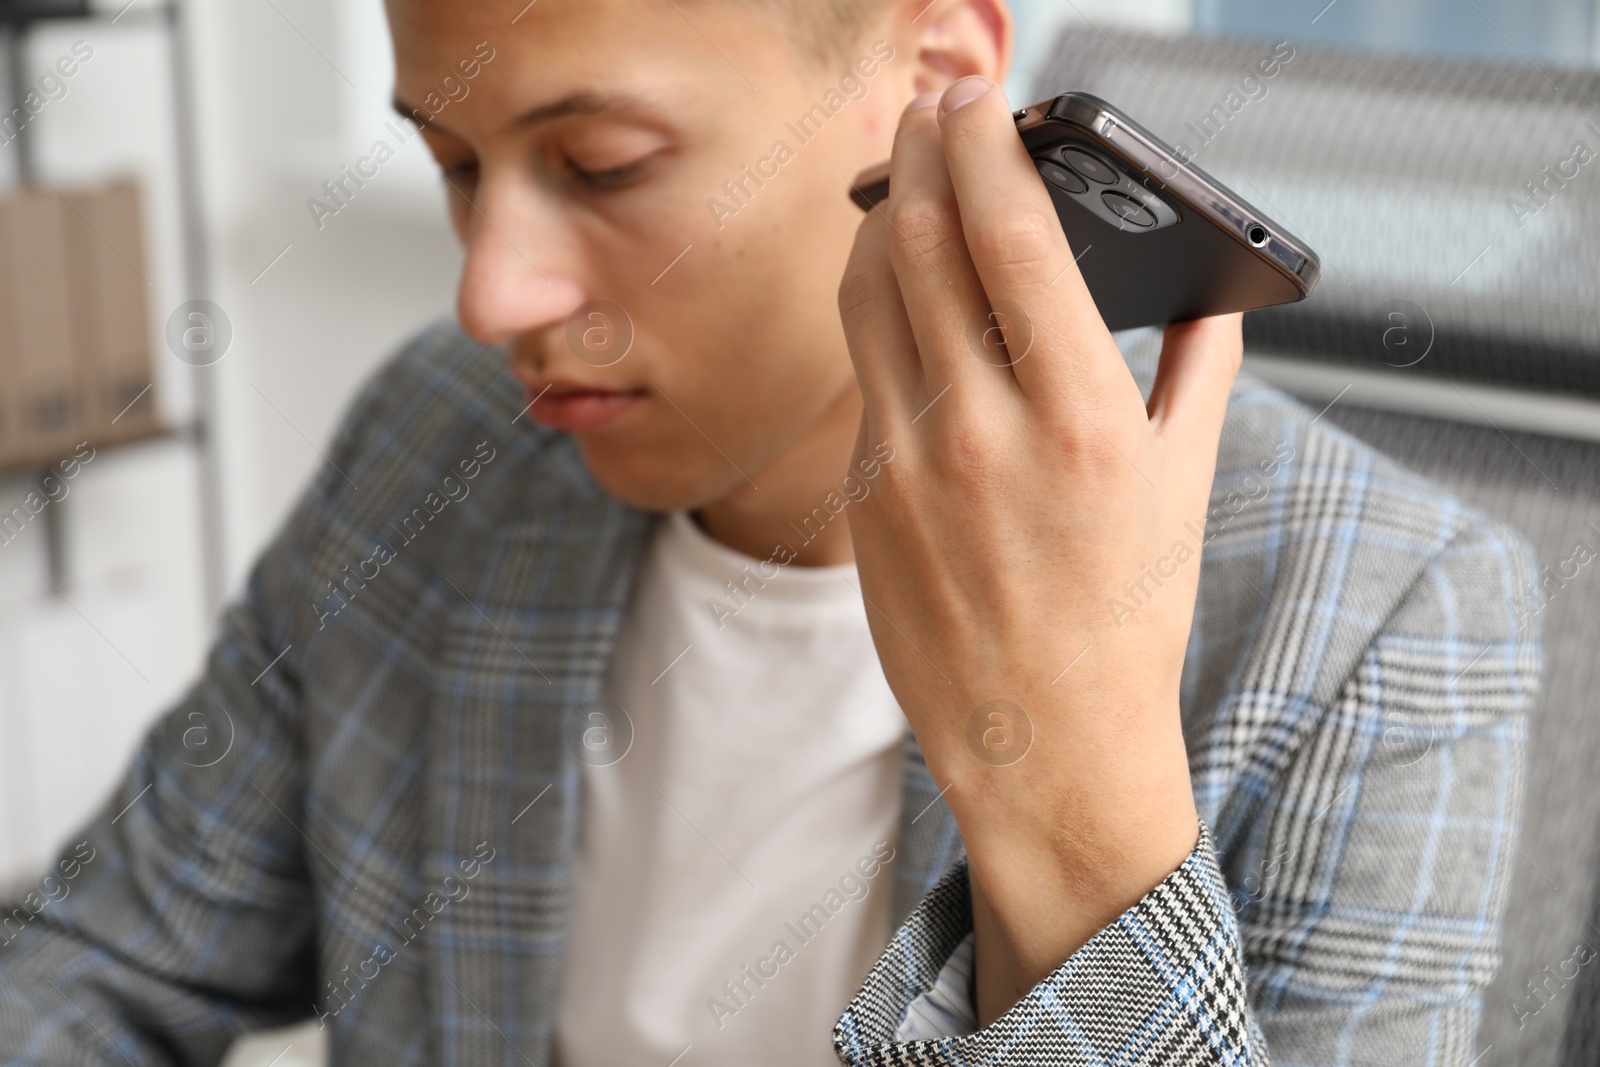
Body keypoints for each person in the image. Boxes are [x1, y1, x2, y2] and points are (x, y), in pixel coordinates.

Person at [0, 0, 1541, 1063]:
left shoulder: (1376, 609)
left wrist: (1066, 795)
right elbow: (111, 960)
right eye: (454, 166)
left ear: (937, 77)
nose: (489, 295)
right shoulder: (438, 437)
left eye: (601, 164)